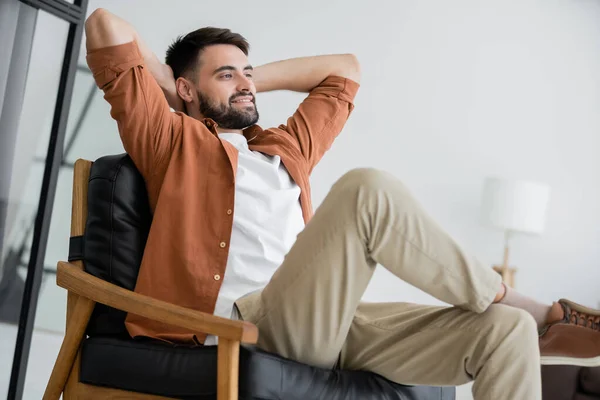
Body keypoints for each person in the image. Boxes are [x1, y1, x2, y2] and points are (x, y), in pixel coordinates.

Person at [84, 8, 599, 399]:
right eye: (227, 75)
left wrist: (243, 82)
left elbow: (344, 71)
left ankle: (516, 317)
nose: (245, 83)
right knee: (365, 189)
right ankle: (523, 304)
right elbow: (105, 25)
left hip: (323, 321)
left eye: (249, 73)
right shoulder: (171, 142)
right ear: (183, 89)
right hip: (245, 325)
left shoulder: (284, 150)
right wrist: (183, 97)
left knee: (504, 335)